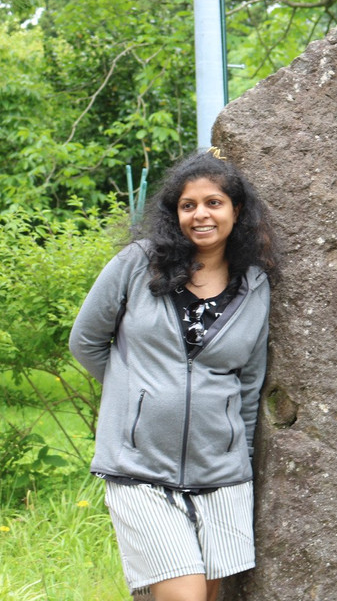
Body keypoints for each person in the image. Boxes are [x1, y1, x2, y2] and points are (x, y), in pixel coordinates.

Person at [70, 150, 279, 601]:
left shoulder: (254, 284)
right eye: (188, 205)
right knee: (184, 596)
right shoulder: (139, 263)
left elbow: (248, 382)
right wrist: (136, 393)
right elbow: (86, 340)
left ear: (236, 210)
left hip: (220, 475)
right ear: (175, 213)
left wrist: (237, 455)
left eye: (213, 203)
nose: (200, 214)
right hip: (138, 468)